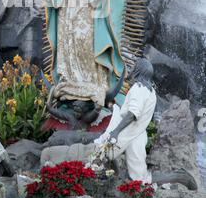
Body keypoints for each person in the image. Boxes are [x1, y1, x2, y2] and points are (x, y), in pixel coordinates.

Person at [41, 58, 198, 190]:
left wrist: (115, 132)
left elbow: (132, 115)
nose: (131, 69)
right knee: (140, 178)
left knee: (97, 156)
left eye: (133, 67)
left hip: (123, 135)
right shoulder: (151, 92)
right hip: (137, 135)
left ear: (138, 70)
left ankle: (65, 178)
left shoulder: (138, 88)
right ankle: (178, 176)